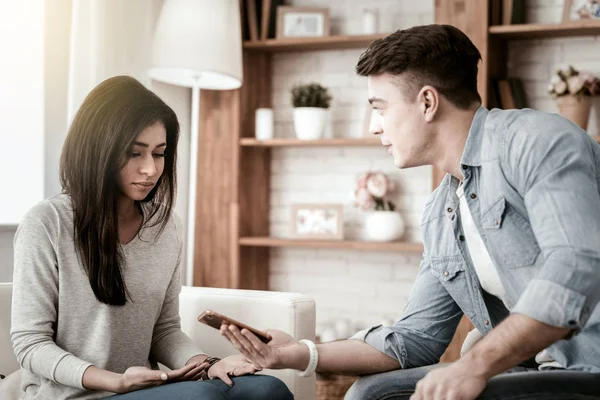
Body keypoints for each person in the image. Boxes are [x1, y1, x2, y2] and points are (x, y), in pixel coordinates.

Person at [219, 24, 600, 399]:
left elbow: (574, 267)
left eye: (380, 108)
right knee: (373, 392)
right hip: (531, 369)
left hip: (587, 367)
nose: (373, 127)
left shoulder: (536, 142)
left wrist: (474, 365)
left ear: (428, 102)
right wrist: (296, 353)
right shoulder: (441, 210)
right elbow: (416, 337)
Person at [11, 76, 293, 400]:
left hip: (146, 389)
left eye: (159, 154)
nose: (150, 169)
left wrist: (207, 364)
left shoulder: (165, 225)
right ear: (97, 149)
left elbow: (164, 330)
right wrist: (114, 381)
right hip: (74, 395)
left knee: (268, 389)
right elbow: (30, 344)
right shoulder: (47, 223)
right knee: (202, 399)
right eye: (135, 153)